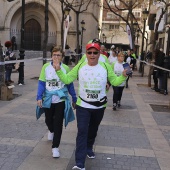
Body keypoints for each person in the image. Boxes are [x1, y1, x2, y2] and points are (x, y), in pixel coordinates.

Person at [53, 43, 127, 170]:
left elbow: (114, 81)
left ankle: (89, 146)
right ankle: (80, 163)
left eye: (95, 52)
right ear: (86, 54)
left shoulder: (105, 65)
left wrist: (123, 76)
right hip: (83, 105)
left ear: (99, 54)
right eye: (89, 52)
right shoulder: (80, 65)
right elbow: (67, 79)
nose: (92, 55)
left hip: (99, 106)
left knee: (93, 129)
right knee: (82, 131)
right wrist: (58, 70)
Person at [36, 46, 77, 158]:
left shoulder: (65, 68)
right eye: (54, 55)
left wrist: (74, 98)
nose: (56, 57)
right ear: (51, 56)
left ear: (62, 57)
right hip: (48, 99)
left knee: (58, 123)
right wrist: (39, 97)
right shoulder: (45, 67)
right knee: (49, 120)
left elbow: (69, 84)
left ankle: (55, 147)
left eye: (58, 55)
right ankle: (51, 130)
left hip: (61, 99)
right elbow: (41, 83)